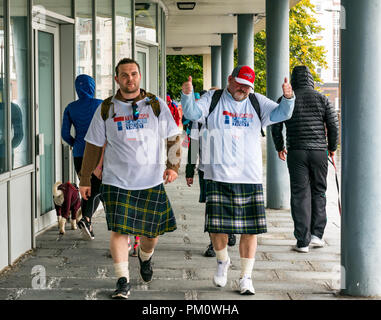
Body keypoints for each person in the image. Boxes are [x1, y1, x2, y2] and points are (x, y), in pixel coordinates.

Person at [181, 65, 295, 295]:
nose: (243, 89)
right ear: (230, 79)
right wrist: (186, 95)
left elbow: (282, 114)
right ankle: (223, 261)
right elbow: (192, 115)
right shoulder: (212, 99)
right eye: (240, 84)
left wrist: (288, 97)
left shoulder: (256, 102)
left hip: (249, 176)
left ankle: (246, 277)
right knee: (216, 228)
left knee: (250, 230)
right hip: (217, 175)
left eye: (248, 86)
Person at [79, 58, 181, 299]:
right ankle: (122, 281)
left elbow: (173, 136)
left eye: (133, 73)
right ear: (117, 79)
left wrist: (173, 165)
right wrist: (84, 179)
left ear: (140, 76)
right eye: (124, 75)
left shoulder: (155, 104)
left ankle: (145, 257)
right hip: (116, 181)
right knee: (118, 231)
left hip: (150, 180)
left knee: (151, 234)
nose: (129, 78)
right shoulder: (106, 108)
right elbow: (93, 145)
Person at [270, 65, 339, 253]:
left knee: (300, 194)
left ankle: (302, 241)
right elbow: (333, 125)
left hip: (297, 151)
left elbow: (275, 124)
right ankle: (317, 235)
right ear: (310, 79)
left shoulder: (287, 98)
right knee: (319, 191)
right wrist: (332, 148)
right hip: (319, 152)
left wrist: (279, 146)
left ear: (293, 79)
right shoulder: (322, 98)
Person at [185, 90, 236, 258]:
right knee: (212, 208)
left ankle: (230, 230)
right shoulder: (197, 120)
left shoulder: (229, 116)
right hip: (207, 171)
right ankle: (214, 243)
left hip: (231, 170)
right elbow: (193, 145)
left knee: (230, 203)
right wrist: (189, 170)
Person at [61, 74, 103, 240]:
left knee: (86, 187)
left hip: (79, 152)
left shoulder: (70, 107)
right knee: (97, 188)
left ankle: (88, 223)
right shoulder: (101, 105)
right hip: (99, 153)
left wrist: (76, 142)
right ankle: (86, 218)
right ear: (92, 87)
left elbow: (65, 134)